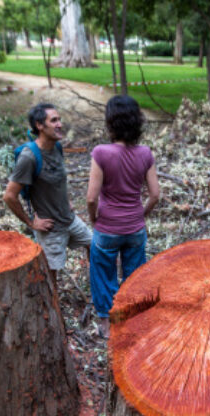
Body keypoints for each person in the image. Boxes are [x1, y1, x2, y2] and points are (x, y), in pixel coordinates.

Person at [87, 95, 160, 339]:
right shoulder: (145, 153)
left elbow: (91, 197)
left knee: (103, 274)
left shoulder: (101, 153)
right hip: (135, 228)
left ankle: (108, 325)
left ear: (110, 122)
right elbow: (155, 194)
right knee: (135, 275)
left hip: (107, 227)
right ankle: (130, 319)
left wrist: (93, 219)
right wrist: (142, 214)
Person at [4, 103, 91, 287]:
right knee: (51, 279)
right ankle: (53, 310)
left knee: (95, 246)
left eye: (59, 119)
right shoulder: (29, 157)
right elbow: (9, 196)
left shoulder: (57, 147)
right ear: (39, 125)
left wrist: (67, 200)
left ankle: (96, 286)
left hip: (70, 219)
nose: (59, 124)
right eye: (54, 120)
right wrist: (31, 223)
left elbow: (59, 178)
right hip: (50, 229)